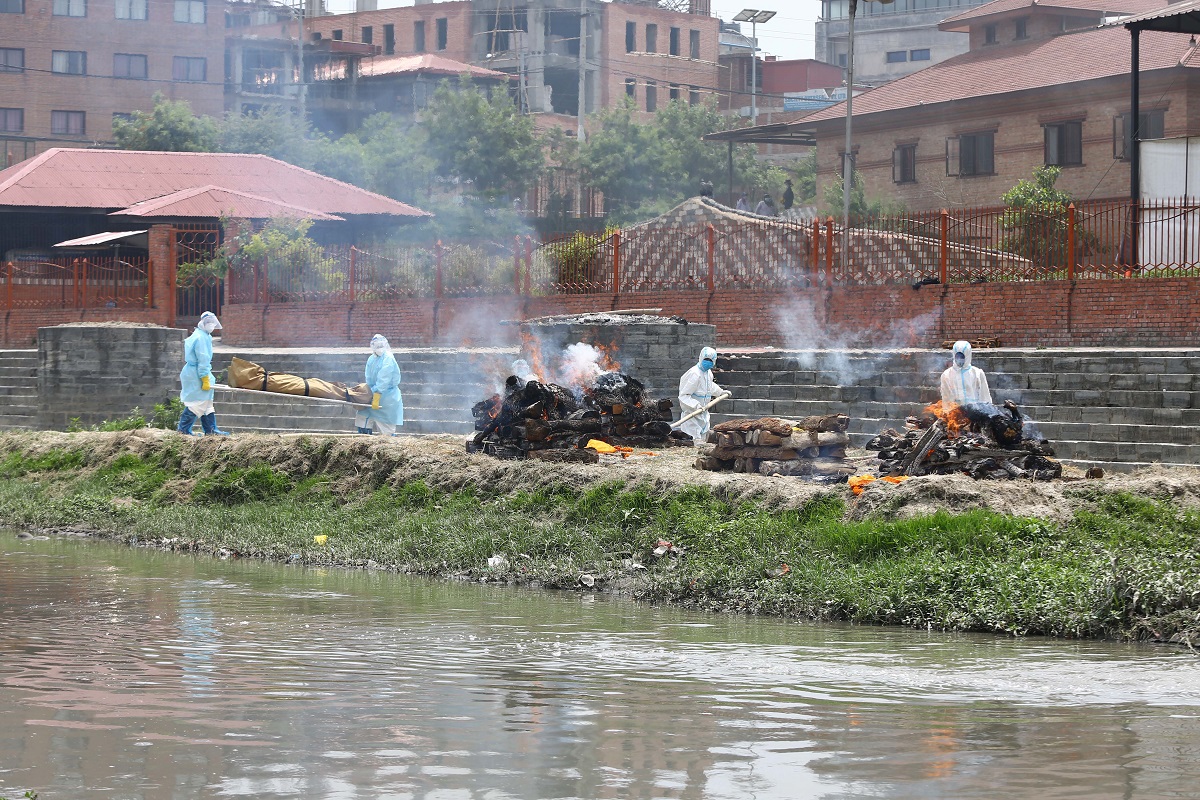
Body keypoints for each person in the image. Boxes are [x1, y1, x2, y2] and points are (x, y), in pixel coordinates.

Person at [177, 310, 229, 436]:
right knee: (198, 403)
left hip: (194, 372)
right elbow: (203, 359)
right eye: (209, 322)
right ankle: (183, 429)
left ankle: (211, 430)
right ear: (203, 322)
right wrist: (204, 377)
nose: (211, 325)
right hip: (197, 374)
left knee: (207, 403)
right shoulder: (201, 338)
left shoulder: (202, 335)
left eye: (213, 322)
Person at [356, 334, 403, 435]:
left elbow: (384, 379)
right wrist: (369, 392)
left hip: (387, 397)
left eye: (381, 346)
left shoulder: (388, 358)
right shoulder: (371, 359)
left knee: (386, 427)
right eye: (377, 346)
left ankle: (388, 445)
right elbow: (368, 377)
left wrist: (377, 394)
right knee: (363, 419)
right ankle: (364, 443)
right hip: (372, 394)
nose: (379, 349)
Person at [678, 346, 724, 442]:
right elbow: (684, 395)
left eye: (711, 360)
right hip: (692, 415)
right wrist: (696, 406)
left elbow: (709, 386)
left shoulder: (708, 373)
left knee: (704, 441)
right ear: (701, 357)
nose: (708, 362)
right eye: (706, 359)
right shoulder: (694, 374)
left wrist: (720, 392)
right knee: (692, 441)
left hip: (704, 414)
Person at [940, 340, 992, 407]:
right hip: (955, 413)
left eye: (962, 357)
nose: (959, 359)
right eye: (957, 356)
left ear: (967, 355)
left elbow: (985, 397)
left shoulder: (977, 373)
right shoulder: (946, 375)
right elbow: (945, 399)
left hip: (975, 413)